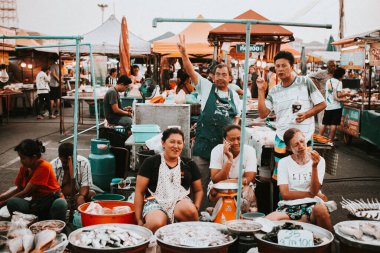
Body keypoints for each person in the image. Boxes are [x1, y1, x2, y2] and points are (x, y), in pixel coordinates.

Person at [178, 35, 241, 209]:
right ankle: (197, 213)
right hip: (204, 146)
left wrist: (234, 140)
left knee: (223, 185)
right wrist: (184, 54)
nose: (221, 77)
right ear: (213, 77)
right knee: (199, 184)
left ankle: (220, 213)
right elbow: (191, 71)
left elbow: (236, 118)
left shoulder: (234, 95)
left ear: (230, 77)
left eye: (224, 75)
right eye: (218, 74)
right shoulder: (206, 87)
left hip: (225, 150)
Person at [257, 51, 326, 182]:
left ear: (292, 67)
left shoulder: (305, 82)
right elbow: (262, 113)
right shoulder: (274, 90)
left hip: (303, 139)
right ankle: (283, 201)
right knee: (282, 177)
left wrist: (306, 114)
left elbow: (322, 104)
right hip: (282, 139)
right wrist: (261, 90)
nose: (280, 69)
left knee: (304, 175)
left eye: (284, 65)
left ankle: (304, 201)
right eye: (277, 66)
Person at [134, 128, 203, 233]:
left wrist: (196, 208)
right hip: (155, 200)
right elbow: (139, 191)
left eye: (179, 143)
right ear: (163, 143)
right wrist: (138, 219)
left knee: (190, 211)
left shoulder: (189, 164)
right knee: (156, 223)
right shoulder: (151, 162)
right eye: (172, 142)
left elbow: (198, 190)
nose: (176, 146)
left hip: (179, 199)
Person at [265, 128, 332, 231]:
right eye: (296, 144)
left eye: (302, 141)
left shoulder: (319, 160)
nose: (301, 146)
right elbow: (285, 194)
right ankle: (303, 220)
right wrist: (310, 194)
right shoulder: (283, 162)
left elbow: (315, 189)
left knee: (321, 210)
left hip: (312, 204)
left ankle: (329, 245)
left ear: (305, 140)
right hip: (290, 206)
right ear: (289, 148)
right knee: (267, 221)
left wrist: (314, 167)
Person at [0, 139, 67, 221]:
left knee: (60, 203)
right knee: (12, 202)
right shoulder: (24, 168)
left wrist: (3, 203)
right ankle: (32, 221)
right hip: (36, 204)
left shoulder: (44, 167)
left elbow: (25, 193)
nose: (21, 161)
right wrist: (1, 198)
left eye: (23, 158)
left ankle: (53, 223)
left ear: (34, 157)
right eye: (20, 158)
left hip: (51, 203)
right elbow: (19, 189)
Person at [208, 125, 257, 207]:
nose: (236, 142)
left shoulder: (250, 151)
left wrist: (226, 182)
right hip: (219, 188)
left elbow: (248, 179)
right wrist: (229, 160)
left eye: (239, 138)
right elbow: (215, 179)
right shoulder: (217, 150)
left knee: (248, 195)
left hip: (242, 187)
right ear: (225, 140)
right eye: (232, 139)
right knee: (216, 197)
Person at [51, 143, 96, 208]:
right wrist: (62, 200)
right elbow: (53, 189)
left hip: (76, 195)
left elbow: (85, 184)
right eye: (64, 162)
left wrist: (81, 197)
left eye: (72, 161)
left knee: (92, 194)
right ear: (59, 157)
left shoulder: (84, 162)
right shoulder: (52, 165)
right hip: (59, 197)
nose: (68, 165)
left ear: (76, 156)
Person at [319, 67, 349, 140]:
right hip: (336, 107)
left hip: (328, 105)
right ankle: (330, 140)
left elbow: (329, 92)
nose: (343, 76)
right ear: (341, 75)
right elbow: (338, 95)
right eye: (343, 75)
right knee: (334, 124)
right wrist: (347, 94)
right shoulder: (339, 82)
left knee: (325, 123)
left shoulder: (329, 81)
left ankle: (319, 138)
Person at [309, 60, 336, 127]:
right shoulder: (322, 73)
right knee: (322, 118)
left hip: (331, 100)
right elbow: (309, 77)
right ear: (328, 66)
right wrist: (316, 85)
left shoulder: (335, 75)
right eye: (331, 66)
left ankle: (326, 135)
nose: (333, 67)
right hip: (322, 99)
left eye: (334, 66)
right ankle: (321, 135)